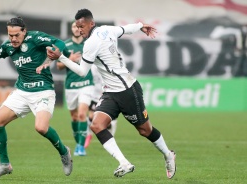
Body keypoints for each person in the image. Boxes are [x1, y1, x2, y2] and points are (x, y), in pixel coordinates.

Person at [37, 9, 176, 179]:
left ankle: (168, 154)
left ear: (91, 23)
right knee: (96, 125)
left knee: (145, 130)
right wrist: (141, 26)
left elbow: (82, 71)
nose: (80, 30)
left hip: (127, 90)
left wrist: (62, 58)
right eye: (77, 27)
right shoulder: (107, 29)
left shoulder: (91, 43)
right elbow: (126, 29)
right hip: (110, 91)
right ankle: (124, 162)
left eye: (82, 26)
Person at [0, 17, 73, 179]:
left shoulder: (35, 38)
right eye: (10, 35)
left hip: (43, 91)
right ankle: (4, 164)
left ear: (24, 31)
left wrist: (50, 58)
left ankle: (64, 152)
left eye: (17, 35)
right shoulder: (8, 46)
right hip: (22, 92)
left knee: (41, 128)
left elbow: (60, 43)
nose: (13, 39)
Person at [57, 21, 94, 156]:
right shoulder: (65, 45)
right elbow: (58, 66)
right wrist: (69, 59)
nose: (77, 28)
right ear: (71, 29)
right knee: (74, 117)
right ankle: (78, 141)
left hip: (86, 84)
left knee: (82, 114)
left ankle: (80, 146)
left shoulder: (88, 43)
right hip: (71, 85)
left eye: (79, 26)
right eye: (74, 26)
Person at [84, 65, 118, 148]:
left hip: (107, 95)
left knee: (108, 121)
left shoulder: (109, 65)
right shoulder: (92, 66)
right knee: (91, 116)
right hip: (95, 95)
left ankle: (110, 138)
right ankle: (89, 135)